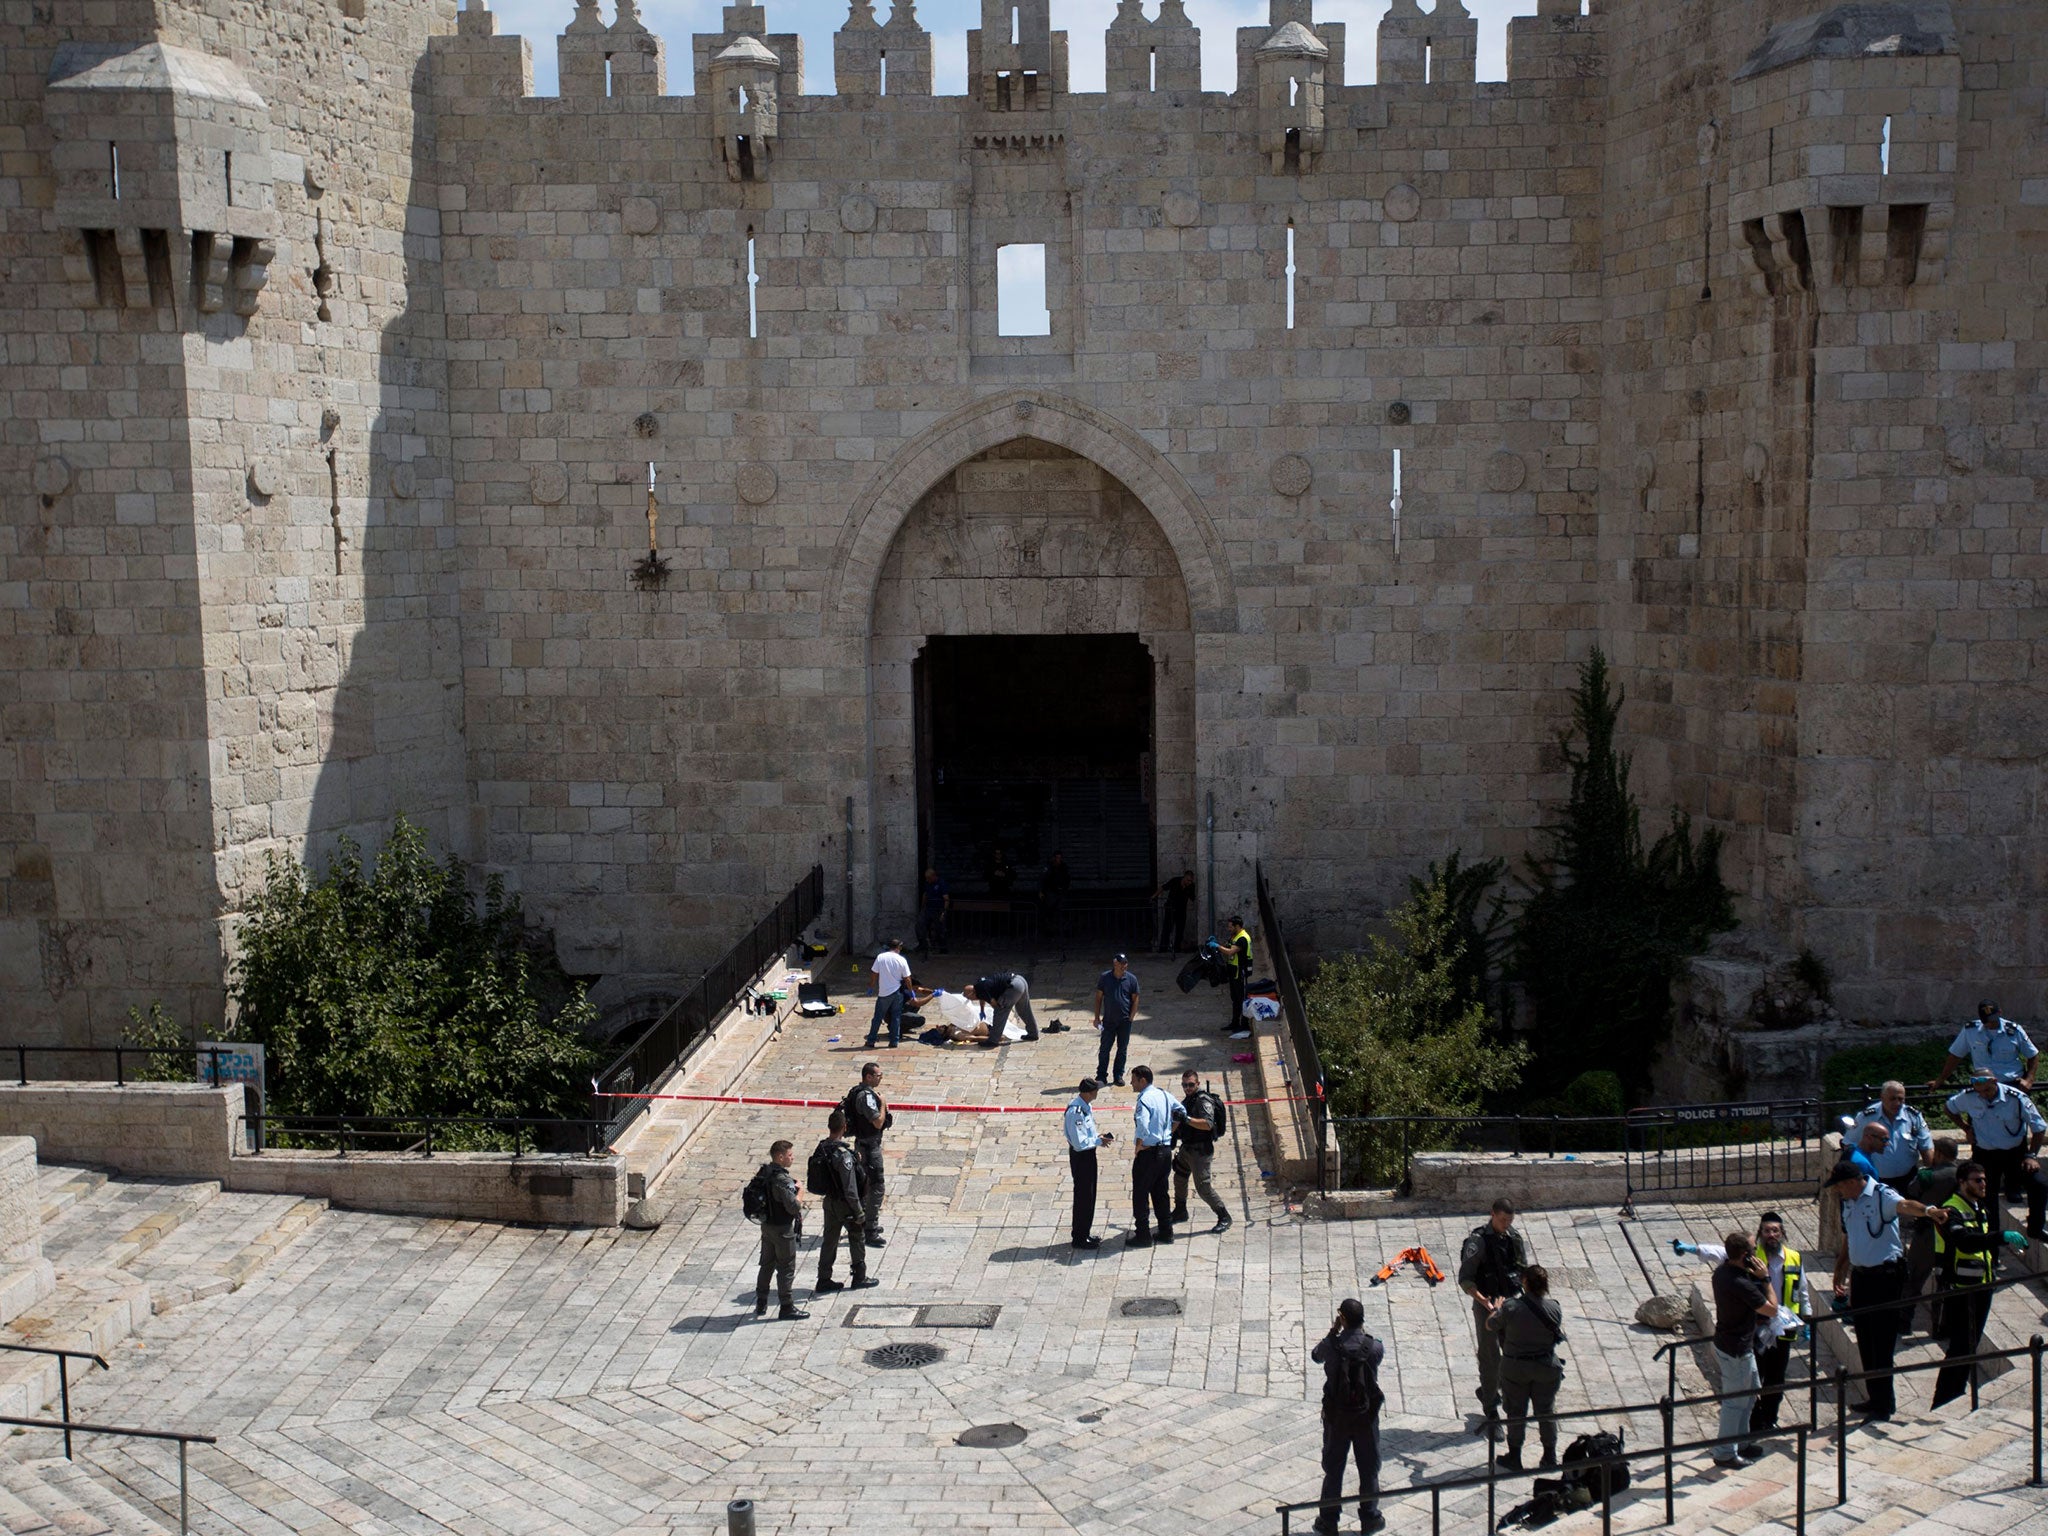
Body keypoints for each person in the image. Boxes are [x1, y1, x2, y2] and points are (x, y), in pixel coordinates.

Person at [1826, 1158, 1949, 1420]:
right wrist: (1841, 1268)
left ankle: (1884, 1404)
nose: (1837, 1191)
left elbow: (1905, 1205)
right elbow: (1851, 1237)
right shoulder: (1849, 1202)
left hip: (1885, 1277)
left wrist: (1928, 1211)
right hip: (1862, 1277)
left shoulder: (1882, 1195)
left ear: (1850, 1182)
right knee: (1866, 1340)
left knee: (1881, 1341)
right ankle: (1875, 1398)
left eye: (1839, 1186)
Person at [1675, 1212, 1809, 1432]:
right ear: (1758, 1236)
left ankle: (1769, 1420)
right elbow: (1720, 1252)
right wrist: (1694, 1249)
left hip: (1783, 1328)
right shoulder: (1751, 1262)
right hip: (1757, 1330)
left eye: (1775, 1230)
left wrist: (1807, 1317)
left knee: (1775, 1379)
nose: (1771, 1235)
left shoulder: (1793, 1257)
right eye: (1766, 1231)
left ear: (1783, 1233)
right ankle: (1752, 1425)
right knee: (1750, 1385)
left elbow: (1801, 1289)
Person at [1928, 1158, 2025, 1408]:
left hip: (1981, 1284)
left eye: (1984, 1180)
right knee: (1960, 1347)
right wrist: (2000, 1237)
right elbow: (1966, 1241)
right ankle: (1944, 1399)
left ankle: (1955, 1395)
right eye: (1977, 1180)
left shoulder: (1979, 1207)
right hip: (1961, 1289)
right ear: (1962, 1182)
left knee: (1969, 1346)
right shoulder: (1951, 1210)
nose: (1983, 1184)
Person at [1310, 1298, 1386, 1535]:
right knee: (1369, 1468)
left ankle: (1328, 1520)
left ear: (1342, 1318)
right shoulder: (1374, 1347)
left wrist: (1333, 1332)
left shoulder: (1332, 1346)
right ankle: (1370, 1517)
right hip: (1365, 1418)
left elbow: (1315, 1356)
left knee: (1334, 1469)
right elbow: (1377, 1360)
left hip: (1337, 1417)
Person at [1944, 1070, 2048, 1239]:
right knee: (1986, 1198)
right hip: (1985, 1155)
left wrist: (2031, 1156)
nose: (1984, 1095)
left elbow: (2039, 1127)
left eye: (1987, 1090)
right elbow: (1949, 1108)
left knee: (2039, 1184)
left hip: (2015, 1154)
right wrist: (1966, 1128)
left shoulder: (2016, 1098)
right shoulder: (1969, 1096)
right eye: (1980, 1092)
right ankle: (1992, 1247)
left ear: (1995, 1082)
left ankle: (2036, 1228)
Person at [1481, 1264, 1565, 1471]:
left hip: (1516, 1368)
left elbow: (1490, 1326)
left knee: (1516, 1412)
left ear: (1525, 1283)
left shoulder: (1511, 1308)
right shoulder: (1554, 1307)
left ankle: (1515, 1456)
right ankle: (1549, 1456)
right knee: (1546, 1411)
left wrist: (1497, 1310)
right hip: (1546, 1366)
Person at [1458, 1198, 1532, 1427]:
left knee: (1512, 1354)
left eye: (1509, 1221)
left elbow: (1522, 1270)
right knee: (1490, 1357)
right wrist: (1484, 1301)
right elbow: (1466, 1279)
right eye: (1502, 1220)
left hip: (1509, 1304)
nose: (1506, 1225)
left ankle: (1490, 1388)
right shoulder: (1478, 1241)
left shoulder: (1514, 1238)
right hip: (1487, 1306)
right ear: (1492, 1215)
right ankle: (1491, 1408)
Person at [1707, 1233, 1775, 1466]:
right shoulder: (1742, 1283)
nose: (1757, 1255)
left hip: (1732, 1344)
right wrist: (1766, 1279)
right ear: (1745, 1255)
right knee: (1735, 1402)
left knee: (1751, 1391)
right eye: (1754, 1251)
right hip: (1736, 1349)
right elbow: (1772, 1310)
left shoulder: (1722, 1272)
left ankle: (1742, 1441)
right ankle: (1724, 1452)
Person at [812, 1110, 878, 1295]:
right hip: (845, 1204)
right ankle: (859, 1276)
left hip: (829, 1202)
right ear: (845, 1127)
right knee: (857, 1237)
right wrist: (859, 1212)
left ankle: (823, 1278)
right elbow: (850, 1188)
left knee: (829, 1241)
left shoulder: (822, 1148)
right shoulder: (843, 1155)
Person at [747, 1139, 809, 1320]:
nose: (793, 1158)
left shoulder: (765, 1172)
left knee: (766, 1264)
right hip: (782, 1229)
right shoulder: (781, 1179)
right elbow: (794, 1207)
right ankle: (787, 1306)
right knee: (786, 1267)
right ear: (780, 1157)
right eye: (790, 1155)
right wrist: (801, 1191)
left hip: (767, 1227)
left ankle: (761, 1301)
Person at [1905, 1137, 1962, 1332]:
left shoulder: (1927, 1176)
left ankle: (1904, 1321)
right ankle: (1942, 1325)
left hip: (1928, 1233)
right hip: (1954, 1234)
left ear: (1938, 1154)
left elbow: (1912, 1193)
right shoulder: (1963, 1176)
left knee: (1913, 1277)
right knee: (1946, 1282)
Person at [1127, 1065, 1185, 1247]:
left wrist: (1139, 1146)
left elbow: (1142, 1125)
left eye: (1134, 1079)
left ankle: (1143, 1234)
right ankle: (1166, 1231)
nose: (1131, 1083)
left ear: (1142, 1080)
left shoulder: (1144, 1099)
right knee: (1161, 1193)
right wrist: (1170, 1130)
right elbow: (1181, 1112)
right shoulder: (1164, 1094)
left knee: (1141, 1193)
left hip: (1149, 1153)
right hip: (1165, 1151)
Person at [1171, 1068, 1231, 1233]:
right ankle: (1180, 1211)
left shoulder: (1203, 1101)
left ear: (1197, 1084)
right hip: (1187, 1148)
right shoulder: (1188, 1100)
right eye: (1184, 1085)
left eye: (1190, 1085)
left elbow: (1207, 1124)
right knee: (1179, 1178)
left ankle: (1224, 1216)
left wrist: (1187, 1119)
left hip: (1201, 1151)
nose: (1187, 1088)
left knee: (1203, 1187)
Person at [1930, 1000, 2038, 1090]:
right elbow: (1955, 1056)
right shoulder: (1970, 1031)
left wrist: (2029, 1080)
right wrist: (1940, 1080)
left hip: (2012, 1084)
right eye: (1986, 1021)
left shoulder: (2014, 1031)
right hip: (1983, 1087)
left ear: (2000, 1012)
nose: (1990, 1024)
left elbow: (2032, 1055)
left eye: (1993, 1020)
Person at [842, 1062, 892, 1247]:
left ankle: (863, 1222)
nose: (881, 1078)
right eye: (878, 1075)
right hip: (869, 1147)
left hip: (865, 1144)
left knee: (866, 1185)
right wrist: (884, 1103)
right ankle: (869, 1227)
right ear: (868, 1076)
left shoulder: (860, 1092)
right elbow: (878, 1122)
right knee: (876, 1187)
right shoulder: (865, 1096)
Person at [1848, 1080, 1932, 1191]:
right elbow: (1849, 1145)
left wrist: (1931, 1176)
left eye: (1900, 1099)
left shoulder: (1913, 1116)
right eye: (1892, 1099)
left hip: (1908, 1180)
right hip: (1877, 1181)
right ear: (1882, 1098)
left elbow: (1926, 1147)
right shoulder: (1866, 1117)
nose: (1897, 1103)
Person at [1064, 1078, 1114, 1249]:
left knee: (1089, 1195)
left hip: (1088, 1154)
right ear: (1087, 1092)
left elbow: (1087, 1134)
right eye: (1094, 1090)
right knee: (1083, 1196)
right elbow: (1079, 1143)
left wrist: (1098, 1137)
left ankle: (1084, 1231)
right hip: (1082, 1157)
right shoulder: (1076, 1112)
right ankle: (1079, 1237)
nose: (1096, 1093)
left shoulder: (1086, 1107)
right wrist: (1098, 1142)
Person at [1093, 953, 1140, 1086]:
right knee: (1104, 1049)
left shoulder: (1131, 979)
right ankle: (1101, 1075)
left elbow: (1135, 998)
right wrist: (1097, 1018)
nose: (1125, 966)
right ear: (1115, 965)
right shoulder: (1105, 978)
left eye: (1126, 963)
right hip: (1108, 1021)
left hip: (1124, 1021)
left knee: (1122, 1049)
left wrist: (1131, 1017)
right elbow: (1098, 998)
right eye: (1122, 963)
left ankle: (1118, 1075)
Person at [963, 970, 1040, 1044]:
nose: (970, 1000)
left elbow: (994, 1003)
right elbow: (982, 997)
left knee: (999, 1012)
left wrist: (999, 1010)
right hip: (1020, 980)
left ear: (972, 994)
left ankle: (993, 1040)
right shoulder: (979, 985)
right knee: (1024, 1010)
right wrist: (982, 1010)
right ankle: (1033, 1034)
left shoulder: (981, 989)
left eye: (969, 998)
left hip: (1013, 987)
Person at [865, 939, 913, 1049]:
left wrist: (871, 986)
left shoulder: (880, 957)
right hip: (897, 992)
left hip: (884, 993)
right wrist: (911, 991)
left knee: (877, 1017)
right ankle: (894, 1041)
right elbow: (907, 978)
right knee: (896, 1017)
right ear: (898, 947)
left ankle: (871, 1040)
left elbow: (874, 973)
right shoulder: (901, 960)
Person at [1223, 913, 1254, 1035]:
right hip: (1234, 972)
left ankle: (1244, 1024)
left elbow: (1231, 952)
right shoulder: (1236, 936)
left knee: (1241, 999)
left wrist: (1217, 946)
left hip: (1239, 973)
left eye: (1230, 927)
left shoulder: (1242, 938)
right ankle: (1234, 1022)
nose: (1229, 929)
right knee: (1235, 999)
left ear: (1237, 926)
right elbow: (1229, 945)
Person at [1156, 870, 1196, 954]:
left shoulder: (1191, 886)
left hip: (1181, 910)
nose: (1189, 882)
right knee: (1167, 929)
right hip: (1170, 908)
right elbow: (1163, 887)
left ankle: (1177, 949)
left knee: (1180, 930)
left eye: (1191, 881)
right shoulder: (1175, 881)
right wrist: (1154, 896)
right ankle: (1163, 949)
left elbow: (1193, 898)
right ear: (1184, 877)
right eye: (1188, 880)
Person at [915, 868, 949, 955]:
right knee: (920, 925)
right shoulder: (928, 884)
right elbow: (925, 895)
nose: (927, 880)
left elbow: (946, 899)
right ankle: (924, 944)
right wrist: (922, 907)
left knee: (940, 928)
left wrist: (943, 912)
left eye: (929, 878)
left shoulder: (941, 884)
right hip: (928, 908)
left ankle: (942, 947)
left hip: (938, 909)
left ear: (934, 876)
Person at [1039, 852, 1071, 938]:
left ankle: (1061, 931)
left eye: (1060, 858)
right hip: (1051, 892)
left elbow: (1067, 878)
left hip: (1060, 892)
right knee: (1050, 912)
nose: (1058, 860)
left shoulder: (1063, 867)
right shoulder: (1049, 867)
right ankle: (1049, 931)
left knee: (1060, 912)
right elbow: (1043, 879)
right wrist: (1042, 891)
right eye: (1057, 858)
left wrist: (1065, 888)